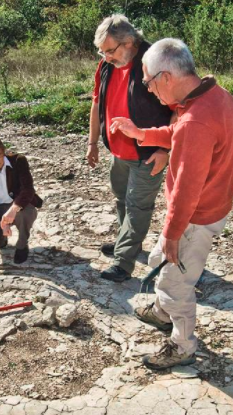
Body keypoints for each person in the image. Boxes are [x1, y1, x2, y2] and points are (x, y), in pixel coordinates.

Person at [110, 38, 233, 369]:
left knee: (174, 282)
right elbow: (178, 133)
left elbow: (186, 188)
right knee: (158, 259)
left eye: (149, 83)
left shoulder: (196, 119)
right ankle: (162, 311)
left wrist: (172, 232)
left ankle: (182, 345)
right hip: (205, 208)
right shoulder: (214, 96)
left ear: (166, 77)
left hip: (196, 216)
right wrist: (141, 132)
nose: (149, 90)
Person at [88, 14, 173, 282]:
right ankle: (127, 242)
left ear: (129, 42)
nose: (106, 57)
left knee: (138, 207)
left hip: (149, 153)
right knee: (122, 199)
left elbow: (179, 109)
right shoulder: (106, 65)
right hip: (118, 152)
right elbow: (96, 103)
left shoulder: (155, 62)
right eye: (102, 52)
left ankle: (123, 263)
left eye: (110, 51)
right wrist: (92, 142)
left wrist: (165, 149)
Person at [0, 132, 42, 264]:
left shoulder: (18, 161)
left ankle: (22, 245)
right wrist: (1, 223)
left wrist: (14, 208)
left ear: (3, 150)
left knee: (27, 213)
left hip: (19, 204)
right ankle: (1, 239)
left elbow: (28, 189)